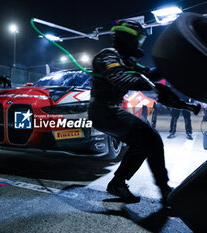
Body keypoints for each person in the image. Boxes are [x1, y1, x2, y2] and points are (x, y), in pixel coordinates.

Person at [88, 20, 175, 205]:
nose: (140, 43)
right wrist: (155, 87)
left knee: (143, 143)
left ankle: (118, 184)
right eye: (139, 39)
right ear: (127, 37)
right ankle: (165, 190)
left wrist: (170, 66)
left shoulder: (124, 60)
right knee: (152, 139)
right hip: (103, 112)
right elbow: (120, 78)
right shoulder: (108, 56)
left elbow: (149, 75)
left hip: (109, 111)